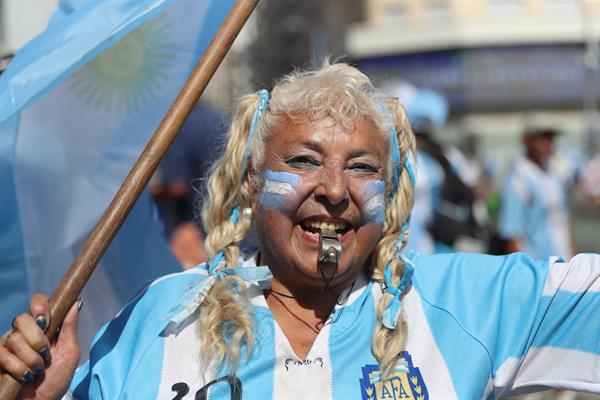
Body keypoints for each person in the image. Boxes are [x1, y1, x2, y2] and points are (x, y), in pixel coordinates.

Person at [1, 63, 599, 399]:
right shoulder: (159, 321)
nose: (335, 190)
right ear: (253, 182)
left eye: (363, 167)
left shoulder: (467, 304)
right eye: (305, 161)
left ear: (388, 195)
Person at [498, 124, 574, 259]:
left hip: (563, 259)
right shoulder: (518, 179)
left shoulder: (552, 173)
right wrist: (522, 274)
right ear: (527, 141)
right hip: (539, 265)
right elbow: (512, 234)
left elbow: (562, 220)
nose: (549, 143)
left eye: (550, 139)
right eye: (542, 138)